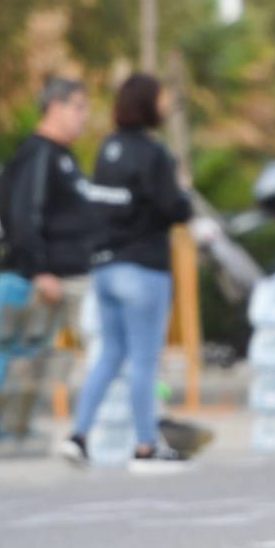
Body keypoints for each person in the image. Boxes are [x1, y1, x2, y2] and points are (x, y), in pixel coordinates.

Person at [58, 73, 195, 469]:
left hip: (104, 268)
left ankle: (79, 435)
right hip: (143, 268)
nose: (166, 106)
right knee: (142, 359)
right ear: (148, 104)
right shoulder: (153, 154)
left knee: (109, 354)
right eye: (162, 98)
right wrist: (182, 191)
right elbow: (174, 208)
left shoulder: (107, 149)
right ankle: (146, 446)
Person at [0, 76, 96, 440]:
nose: (84, 117)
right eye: (78, 107)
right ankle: (6, 429)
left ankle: (16, 428)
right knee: (28, 357)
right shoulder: (38, 153)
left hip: (75, 275)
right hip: (55, 279)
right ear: (54, 106)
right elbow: (24, 215)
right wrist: (40, 270)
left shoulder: (63, 156)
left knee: (51, 355)